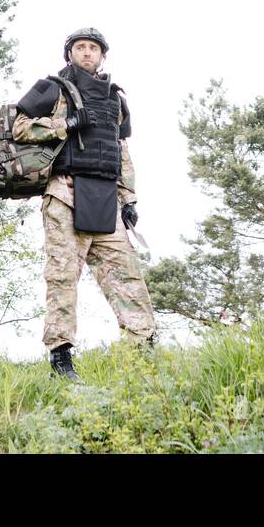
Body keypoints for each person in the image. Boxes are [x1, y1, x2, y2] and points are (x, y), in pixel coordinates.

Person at [13, 27, 157, 381]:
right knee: (62, 277)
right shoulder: (52, 88)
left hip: (106, 198)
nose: (87, 53)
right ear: (70, 53)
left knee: (127, 276)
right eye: (80, 47)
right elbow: (19, 128)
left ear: (102, 55)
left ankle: (142, 356)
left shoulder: (115, 100)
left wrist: (129, 198)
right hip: (65, 192)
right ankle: (61, 359)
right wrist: (66, 123)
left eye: (93, 48)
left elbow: (121, 152)